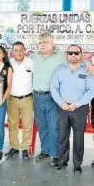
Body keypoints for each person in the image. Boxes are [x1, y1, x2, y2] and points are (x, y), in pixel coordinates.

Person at [31, 32, 94, 165]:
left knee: (54, 128)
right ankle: (45, 151)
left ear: (52, 43)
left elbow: (77, 57)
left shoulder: (61, 56)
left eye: (45, 42)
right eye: (40, 43)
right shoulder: (34, 56)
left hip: (53, 98)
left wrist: (89, 63)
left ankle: (55, 154)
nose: (42, 45)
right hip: (37, 96)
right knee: (42, 126)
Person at [50, 44, 94, 173]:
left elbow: (91, 90)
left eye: (76, 53)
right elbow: (53, 87)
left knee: (79, 137)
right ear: (67, 55)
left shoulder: (87, 70)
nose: (73, 55)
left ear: (81, 55)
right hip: (62, 107)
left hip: (79, 108)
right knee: (62, 136)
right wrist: (61, 103)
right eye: (70, 53)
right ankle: (63, 160)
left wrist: (77, 103)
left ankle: (77, 163)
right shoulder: (60, 69)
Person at [5, 41, 34, 161]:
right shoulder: (8, 63)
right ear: (12, 52)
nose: (18, 52)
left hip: (27, 98)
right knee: (12, 125)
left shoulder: (31, 62)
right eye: (16, 50)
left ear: (25, 50)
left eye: (21, 49)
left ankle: (26, 148)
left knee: (28, 125)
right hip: (12, 99)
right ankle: (14, 147)